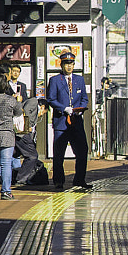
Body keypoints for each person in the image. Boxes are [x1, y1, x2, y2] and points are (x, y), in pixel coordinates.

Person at [45, 51, 90, 189]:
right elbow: (51, 99)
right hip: (61, 122)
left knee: (82, 151)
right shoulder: (54, 80)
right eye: (66, 64)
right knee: (59, 153)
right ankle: (58, 180)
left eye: (71, 64)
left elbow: (84, 98)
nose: (69, 67)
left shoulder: (79, 80)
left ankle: (80, 179)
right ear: (61, 65)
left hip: (76, 121)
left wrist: (78, 109)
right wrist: (64, 108)